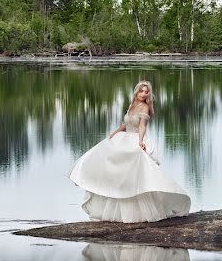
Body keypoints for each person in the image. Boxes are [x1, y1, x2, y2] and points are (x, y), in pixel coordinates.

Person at [67, 81, 191, 222]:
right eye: (142, 91)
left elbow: (142, 126)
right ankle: (114, 209)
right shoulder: (132, 105)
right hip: (123, 138)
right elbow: (126, 124)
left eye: (146, 92)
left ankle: (137, 213)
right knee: (114, 169)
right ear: (136, 92)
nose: (144, 94)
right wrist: (115, 133)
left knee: (132, 176)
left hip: (134, 139)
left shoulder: (145, 107)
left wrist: (140, 141)